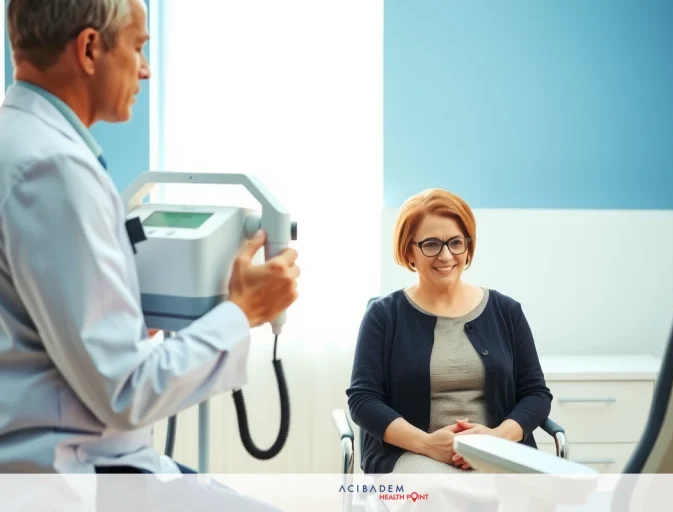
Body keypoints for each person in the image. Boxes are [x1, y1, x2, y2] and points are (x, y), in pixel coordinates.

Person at [0, 0, 298, 507]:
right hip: (72, 475)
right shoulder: (56, 171)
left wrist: (128, 324)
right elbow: (128, 393)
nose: (146, 69)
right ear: (90, 48)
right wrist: (241, 312)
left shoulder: (17, 142)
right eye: (138, 47)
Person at [346, 188, 552, 474]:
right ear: (409, 250)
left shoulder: (507, 311)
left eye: (456, 242)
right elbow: (363, 401)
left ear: (468, 246)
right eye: (431, 244)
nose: (445, 256)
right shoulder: (383, 316)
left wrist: (497, 439)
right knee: (440, 493)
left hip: (498, 454)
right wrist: (428, 444)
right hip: (413, 455)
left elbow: (536, 394)